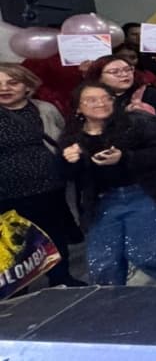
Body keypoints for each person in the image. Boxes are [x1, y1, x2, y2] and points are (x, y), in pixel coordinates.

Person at [60, 82, 156, 286]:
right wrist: (69, 160)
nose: (100, 103)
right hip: (102, 201)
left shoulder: (137, 123)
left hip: (144, 193)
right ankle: (114, 306)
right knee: (103, 263)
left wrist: (124, 157)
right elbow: (66, 175)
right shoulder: (72, 137)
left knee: (143, 253)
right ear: (78, 107)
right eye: (91, 100)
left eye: (106, 98)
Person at [84, 55, 156, 260]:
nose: (124, 74)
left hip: (154, 160)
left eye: (128, 69)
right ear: (98, 77)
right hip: (116, 165)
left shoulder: (147, 94)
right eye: (115, 72)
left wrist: (140, 131)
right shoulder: (93, 100)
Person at [0, 64, 85, 287]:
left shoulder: (44, 109)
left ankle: (60, 278)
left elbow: (63, 136)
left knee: (53, 235)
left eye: (12, 82)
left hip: (48, 187)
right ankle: (18, 289)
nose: (4, 88)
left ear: (27, 85)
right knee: (12, 243)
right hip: (6, 193)